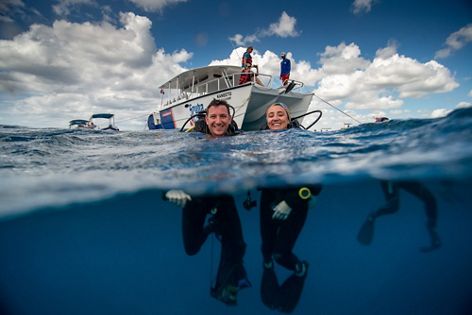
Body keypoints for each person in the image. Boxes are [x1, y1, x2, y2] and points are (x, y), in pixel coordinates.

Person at [165, 99, 249, 306]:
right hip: (196, 196)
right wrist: (170, 188)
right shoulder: (193, 140)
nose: (218, 121)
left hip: (222, 198)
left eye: (223, 116)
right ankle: (213, 226)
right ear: (206, 118)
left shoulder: (238, 139)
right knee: (191, 248)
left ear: (230, 119)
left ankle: (224, 287)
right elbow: (168, 164)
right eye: (213, 116)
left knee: (237, 245)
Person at [258, 103, 322, 312]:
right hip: (268, 202)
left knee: (280, 254)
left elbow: (316, 183)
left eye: (280, 114)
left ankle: (301, 269)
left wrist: (291, 201)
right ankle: (271, 292)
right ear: (266, 121)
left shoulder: (301, 142)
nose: (275, 118)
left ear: (288, 118)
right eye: (270, 115)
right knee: (266, 252)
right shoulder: (258, 142)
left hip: (295, 204)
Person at [357, 117, 441, 252]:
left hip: (404, 174)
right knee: (394, 207)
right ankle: (372, 216)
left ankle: (433, 232)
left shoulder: (399, 136)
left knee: (430, 199)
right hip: (388, 176)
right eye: (380, 124)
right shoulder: (375, 140)